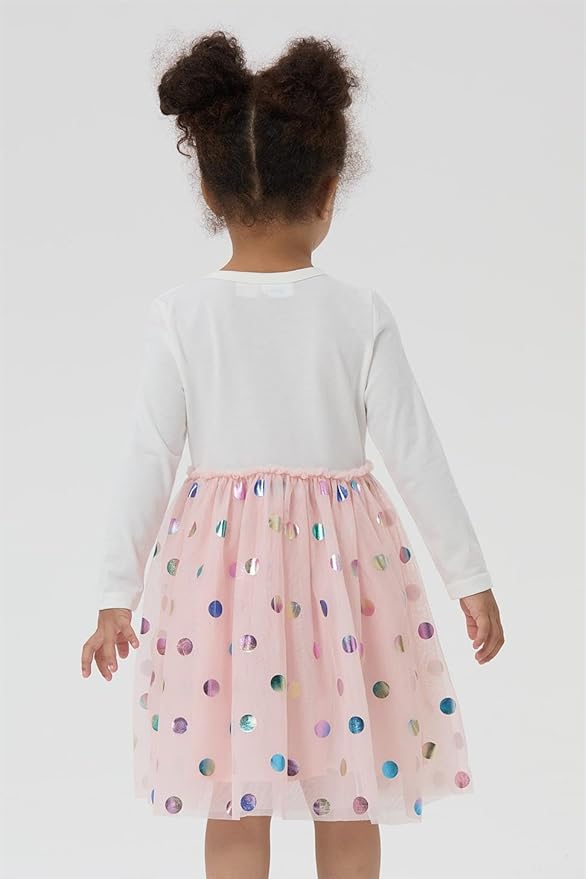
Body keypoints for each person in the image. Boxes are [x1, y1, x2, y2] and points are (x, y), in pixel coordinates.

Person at [80, 30, 504, 879]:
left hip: (219, 585)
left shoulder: (184, 314)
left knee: (234, 792)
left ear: (209, 190)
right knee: (350, 783)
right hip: (347, 584)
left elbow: (148, 456)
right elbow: (416, 453)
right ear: (330, 191)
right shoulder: (357, 311)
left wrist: (114, 594)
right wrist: (469, 576)